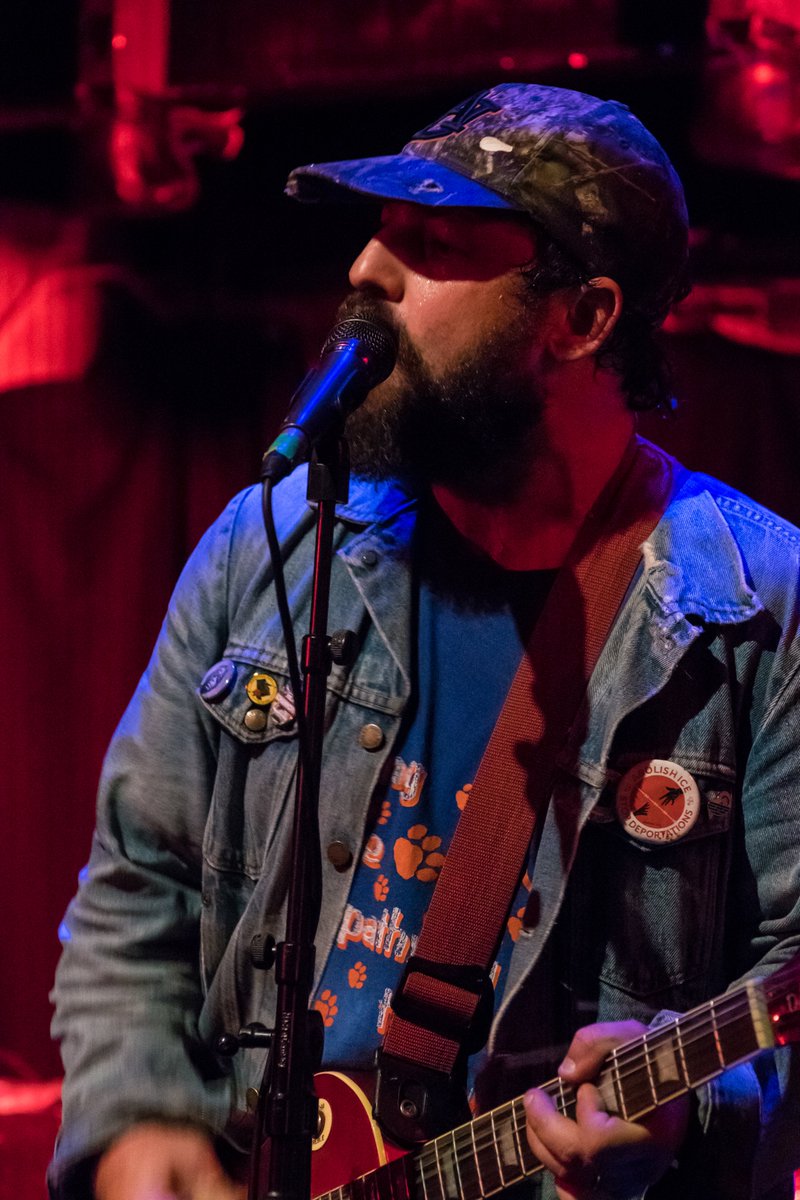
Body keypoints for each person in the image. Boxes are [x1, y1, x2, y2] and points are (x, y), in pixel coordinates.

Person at [49, 83, 800, 1200]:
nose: (366, 267)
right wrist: (136, 1124)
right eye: (380, 228)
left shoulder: (761, 610)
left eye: (434, 244)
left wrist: (698, 1115)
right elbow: (137, 884)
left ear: (583, 319)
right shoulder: (269, 544)